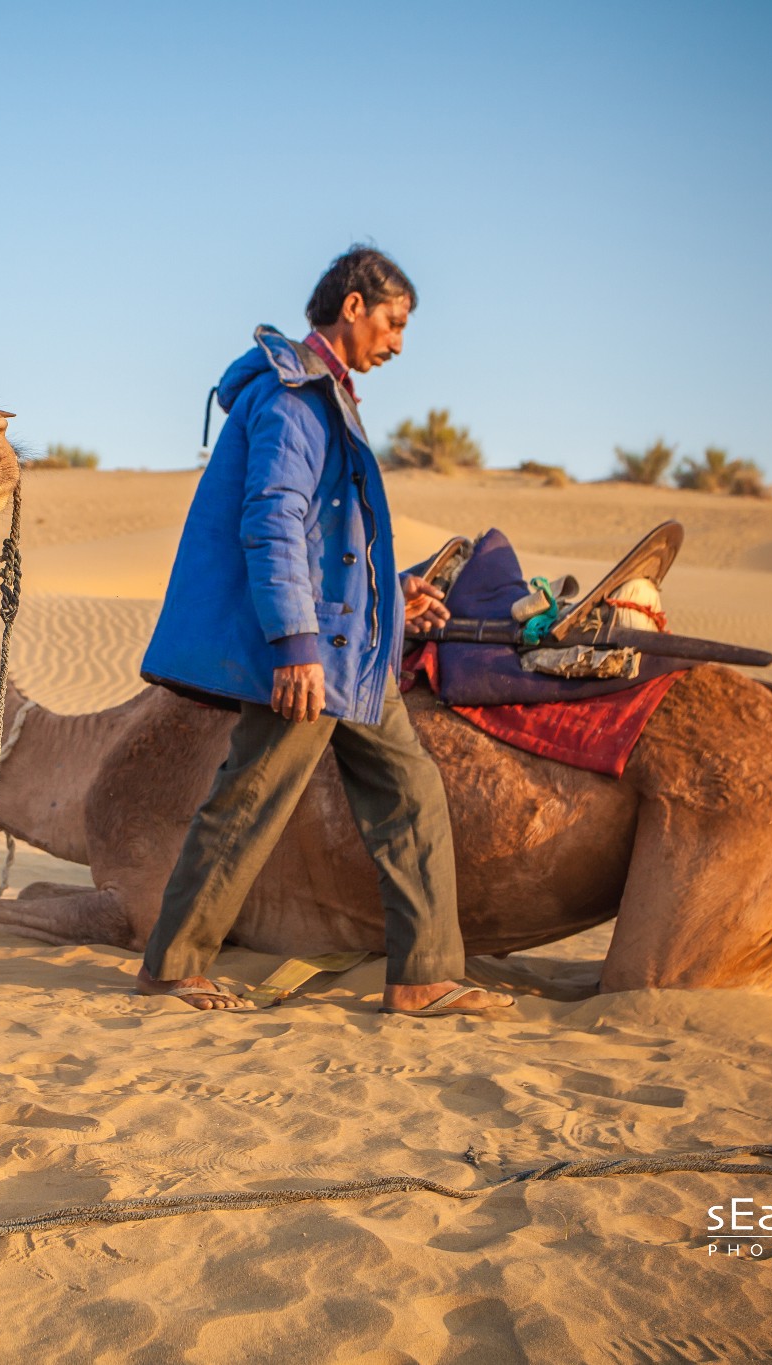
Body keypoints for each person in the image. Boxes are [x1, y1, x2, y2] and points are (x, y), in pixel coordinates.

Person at [134, 246, 512, 1017]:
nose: (398, 342)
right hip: (314, 655)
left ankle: (421, 975)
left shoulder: (324, 398)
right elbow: (273, 522)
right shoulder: (292, 398)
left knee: (410, 789)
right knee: (250, 797)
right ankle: (173, 967)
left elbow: (331, 543)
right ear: (353, 306)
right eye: (393, 322)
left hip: (349, 651)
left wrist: (397, 594)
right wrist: (296, 648)